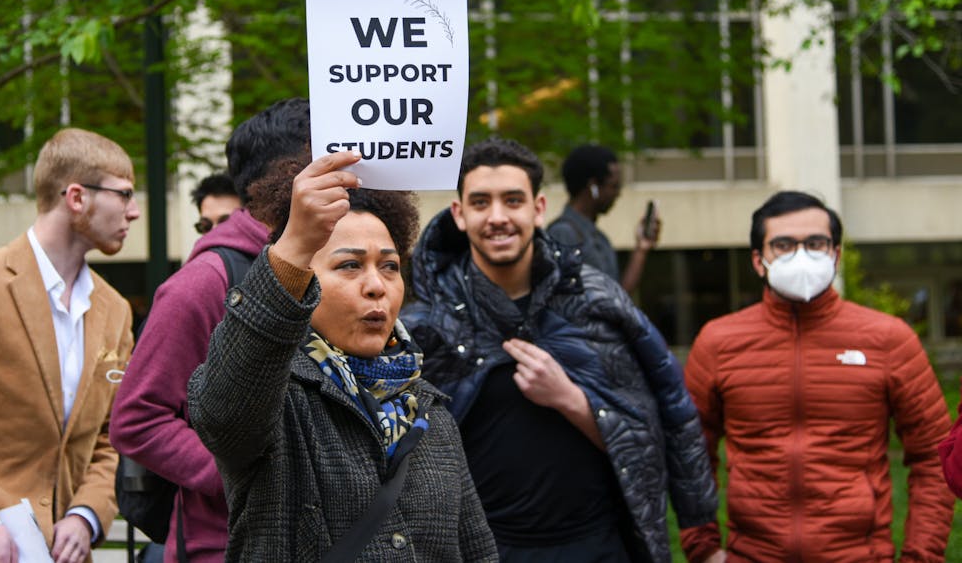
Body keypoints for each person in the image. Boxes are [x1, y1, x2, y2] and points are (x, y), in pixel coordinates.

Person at [401, 137, 720, 562]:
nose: (498, 217)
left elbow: (660, 427)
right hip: (485, 550)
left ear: (538, 208)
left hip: (599, 545)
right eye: (481, 202)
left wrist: (571, 399)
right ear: (459, 214)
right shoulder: (426, 327)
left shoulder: (594, 300)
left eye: (513, 200)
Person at [187, 150, 497, 561]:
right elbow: (223, 415)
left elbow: (476, 550)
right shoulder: (275, 399)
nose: (376, 285)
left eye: (389, 267)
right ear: (303, 279)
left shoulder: (429, 411)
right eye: (350, 265)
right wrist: (293, 245)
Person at [684, 190, 954, 562]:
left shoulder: (888, 338)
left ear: (836, 255)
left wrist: (920, 557)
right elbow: (690, 452)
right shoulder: (718, 341)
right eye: (783, 244)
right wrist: (703, 548)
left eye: (815, 243)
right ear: (758, 261)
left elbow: (935, 456)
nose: (801, 255)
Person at [110, 98, 312, 562]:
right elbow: (136, 419)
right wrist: (239, 476)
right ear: (291, 175)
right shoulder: (202, 283)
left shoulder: (333, 264)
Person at [0, 128, 139, 563]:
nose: (133, 212)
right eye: (124, 194)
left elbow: (111, 435)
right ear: (76, 197)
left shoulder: (115, 310)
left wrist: (86, 515)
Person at [547, 143, 660, 294]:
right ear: (593, 187)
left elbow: (618, 300)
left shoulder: (599, 238)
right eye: (614, 186)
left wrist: (641, 249)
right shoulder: (562, 234)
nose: (618, 194)